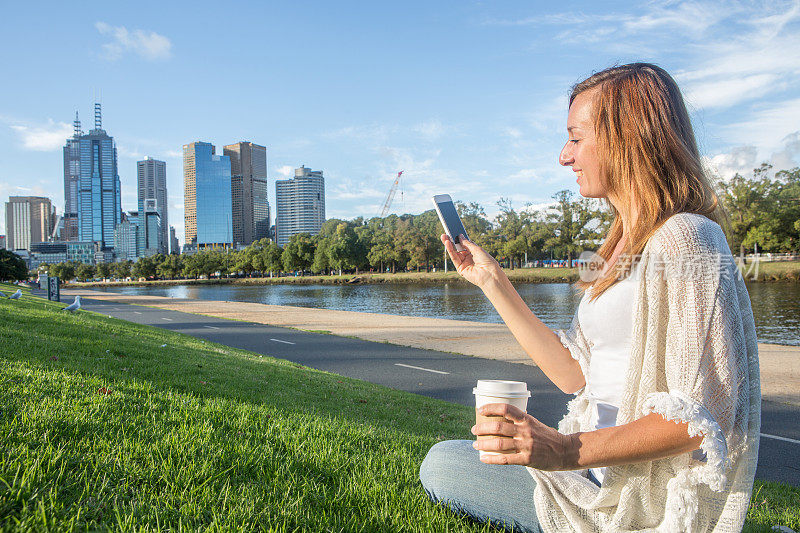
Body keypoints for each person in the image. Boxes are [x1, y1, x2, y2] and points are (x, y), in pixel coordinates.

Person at [418, 63, 760, 533]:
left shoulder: (687, 237)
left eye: (576, 138)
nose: (564, 156)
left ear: (630, 136)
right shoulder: (615, 246)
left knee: (444, 465)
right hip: (588, 472)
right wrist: (491, 280)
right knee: (446, 459)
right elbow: (572, 374)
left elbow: (707, 413)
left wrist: (563, 450)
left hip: (635, 497)